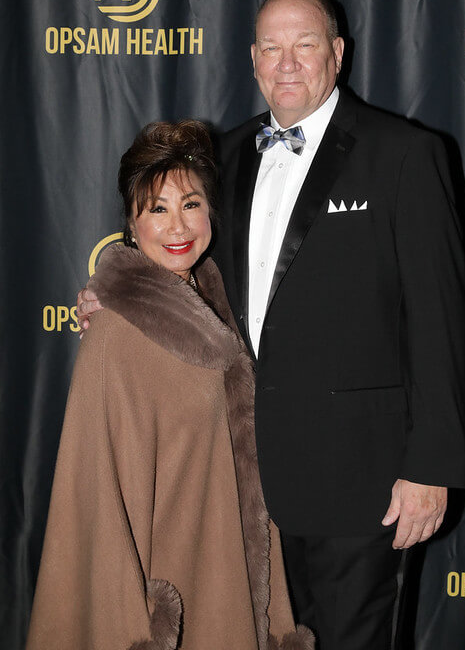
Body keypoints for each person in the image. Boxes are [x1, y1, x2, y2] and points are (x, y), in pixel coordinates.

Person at [78, 0, 465, 650]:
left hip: (365, 483)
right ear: (253, 59)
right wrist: (121, 295)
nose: (287, 63)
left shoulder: (403, 153)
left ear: (337, 55)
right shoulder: (224, 158)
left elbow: (443, 319)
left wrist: (431, 466)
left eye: (306, 45)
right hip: (247, 480)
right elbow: (184, 263)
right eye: (271, 47)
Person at [27, 121, 313, 650]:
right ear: (132, 226)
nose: (178, 225)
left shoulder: (214, 297)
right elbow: (95, 503)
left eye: (191, 203)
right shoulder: (115, 333)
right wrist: (133, 623)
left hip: (226, 567)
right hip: (170, 589)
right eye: (157, 208)